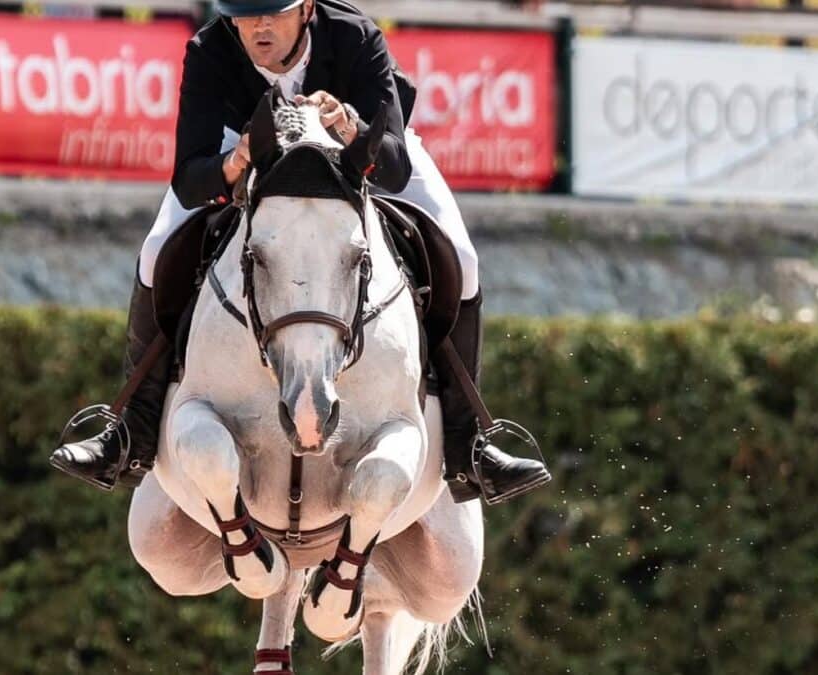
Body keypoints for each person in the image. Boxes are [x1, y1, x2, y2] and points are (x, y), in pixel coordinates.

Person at [50, 0, 550, 505]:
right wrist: (232, 163)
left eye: (274, 13)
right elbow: (188, 175)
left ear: (307, 8)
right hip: (248, 151)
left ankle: (472, 447)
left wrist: (353, 127)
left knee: (462, 258)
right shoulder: (210, 50)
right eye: (247, 16)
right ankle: (128, 433)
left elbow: (395, 167)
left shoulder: (355, 36)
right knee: (158, 248)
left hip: (354, 150)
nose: (260, 27)